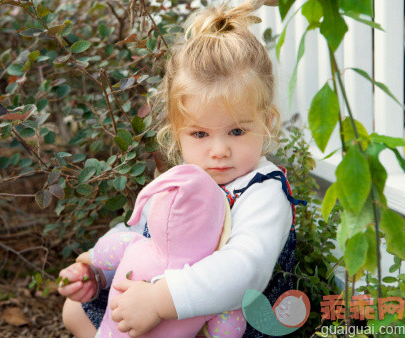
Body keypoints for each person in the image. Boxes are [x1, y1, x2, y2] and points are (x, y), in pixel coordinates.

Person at [58, 0, 306, 337]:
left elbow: (244, 270)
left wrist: (159, 299)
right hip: (164, 298)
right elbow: (139, 236)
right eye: (200, 134)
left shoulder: (263, 191)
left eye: (236, 131)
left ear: (268, 122)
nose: (219, 151)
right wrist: (98, 273)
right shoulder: (184, 182)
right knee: (74, 309)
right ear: (177, 132)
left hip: (229, 318)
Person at [77, 164, 246, 337]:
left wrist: (90, 257)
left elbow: (103, 252)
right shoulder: (207, 285)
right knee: (73, 310)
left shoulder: (134, 245)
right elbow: (229, 327)